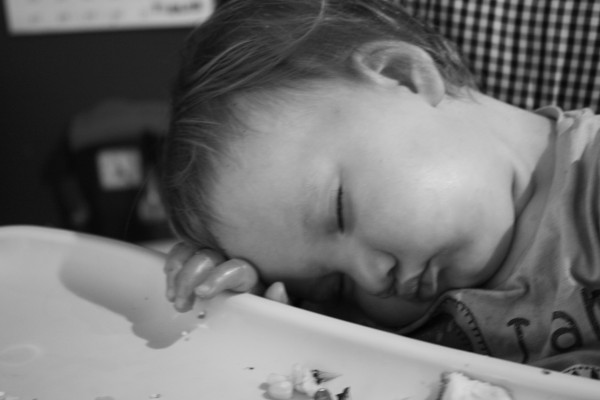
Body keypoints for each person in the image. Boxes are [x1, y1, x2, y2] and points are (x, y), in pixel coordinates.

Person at [160, 0, 600, 378]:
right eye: (336, 285)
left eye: (339, 212)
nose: (371, 279)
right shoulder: (391, 314)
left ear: (403, 76)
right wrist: (258, 313)